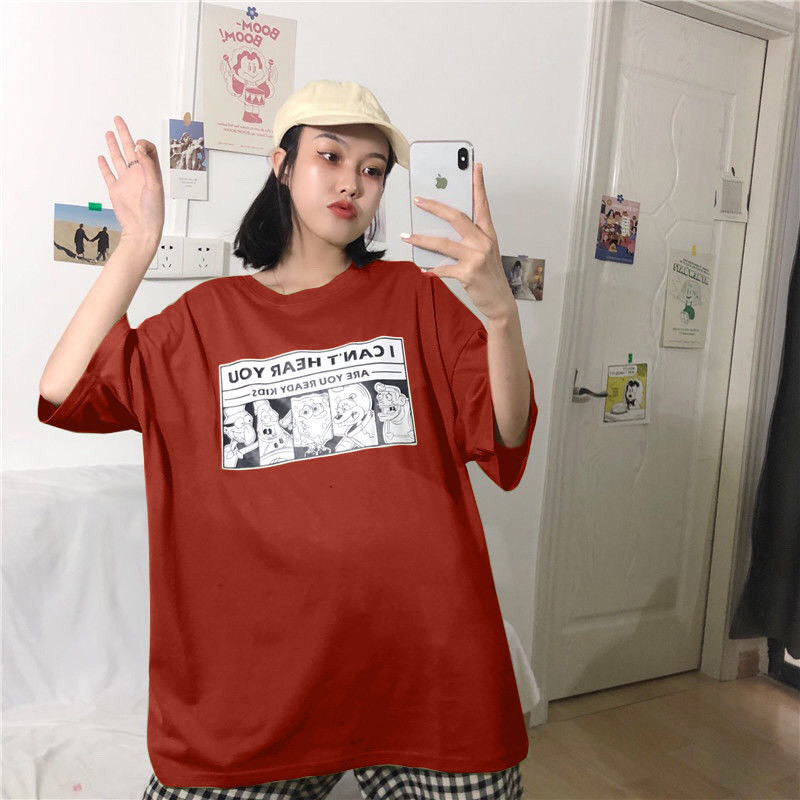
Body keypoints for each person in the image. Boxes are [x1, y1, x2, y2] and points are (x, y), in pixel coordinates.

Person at [38, 80, 537, 800]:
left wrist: (500, 318)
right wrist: (139, 240)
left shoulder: (416, 296)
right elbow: (63, 388)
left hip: (428, 668)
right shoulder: (206, 319)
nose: (351, 182)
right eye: (330, 156)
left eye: (372, 169)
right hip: (255, 689)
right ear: (281, 164)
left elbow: (506, 430)